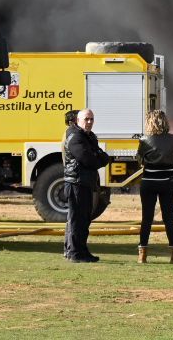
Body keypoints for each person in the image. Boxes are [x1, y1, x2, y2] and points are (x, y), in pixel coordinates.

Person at [136, 109, 173, 264]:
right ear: (165, 122)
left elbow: (139, 160)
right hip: (168, 182)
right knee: (169, 218)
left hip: (149, 181)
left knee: (147, 218)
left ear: (149, 122)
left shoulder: (144, 140)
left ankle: (142, 254)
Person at [63, 108, 109, 263]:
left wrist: (97, 157)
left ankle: (81, 251)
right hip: (76, 182)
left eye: (91, 119)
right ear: (78, 120)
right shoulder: (75, 137)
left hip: (85, 181)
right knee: (77, 220)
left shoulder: (89, 136)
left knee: (84, 219)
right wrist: (97, 158)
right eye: (86, 119)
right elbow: (88, 159)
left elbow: (102, 156)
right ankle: (74, 252)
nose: (89, 122)